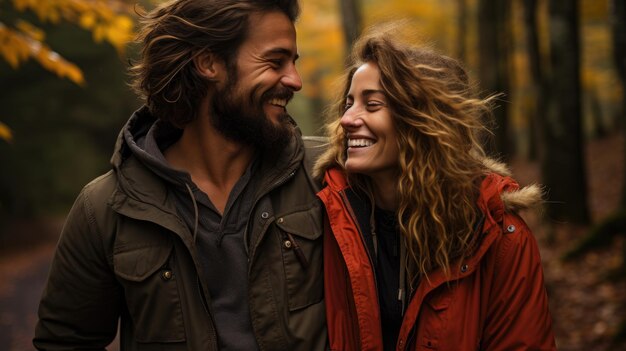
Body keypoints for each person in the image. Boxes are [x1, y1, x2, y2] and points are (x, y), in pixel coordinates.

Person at [33, 0, 328, 349]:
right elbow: (64, 342)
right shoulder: (104, 209)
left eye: (294, 63)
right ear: (208, 63)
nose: (294, 80)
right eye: (275, 61)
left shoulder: (327, 172)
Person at [315, 28, 557, 351]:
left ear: (421, 122)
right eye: (349, 104)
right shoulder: (328, 212)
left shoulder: (500, 235)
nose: (346, 119)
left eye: (371, 105)